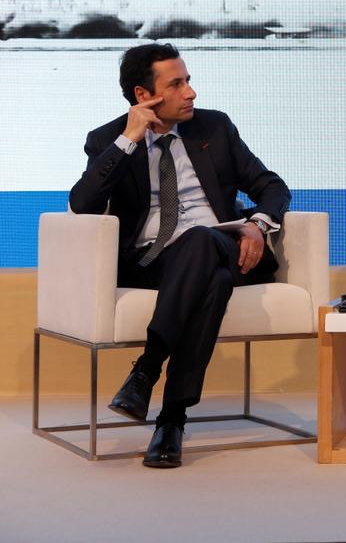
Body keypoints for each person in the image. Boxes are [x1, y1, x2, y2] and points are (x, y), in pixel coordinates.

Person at [68, 43, 290, 468]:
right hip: (154, 263)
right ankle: (171, 419)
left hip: (225, 247)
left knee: (202, 240)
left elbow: (271, 186)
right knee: (214, 282)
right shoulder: (107, 139)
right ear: (143, 95)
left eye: (188, 80)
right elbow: (84, 204)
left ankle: (147, 372)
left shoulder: (215, 128)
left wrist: (259, 225)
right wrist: (129, 140)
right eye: (177, 84)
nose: (191, 92)